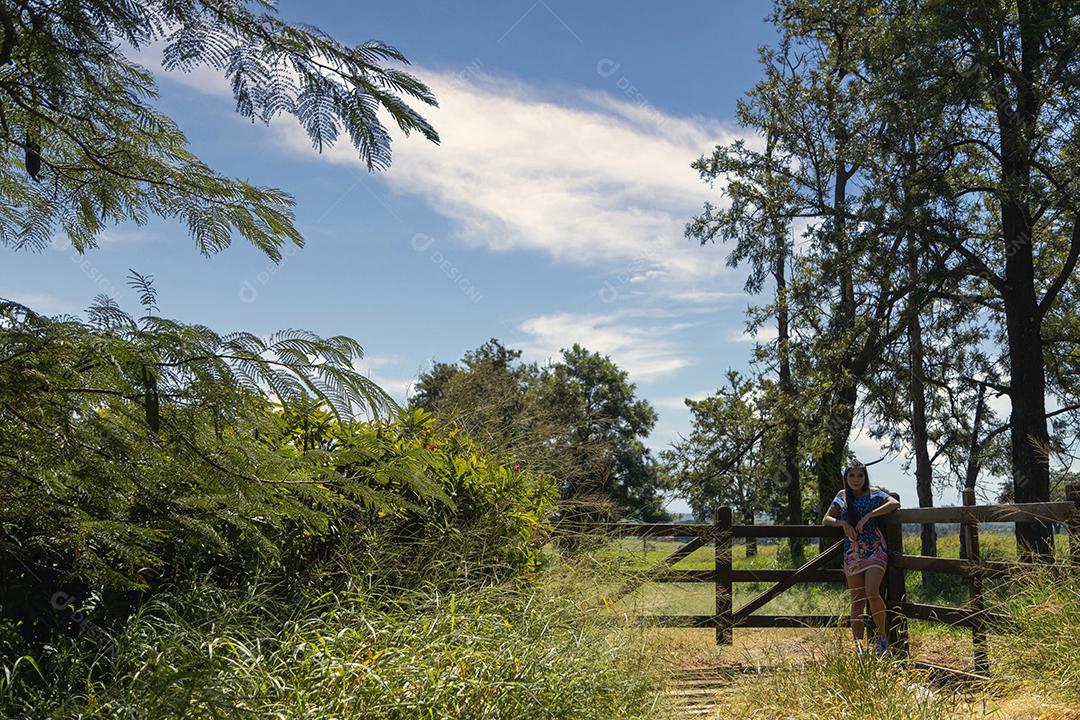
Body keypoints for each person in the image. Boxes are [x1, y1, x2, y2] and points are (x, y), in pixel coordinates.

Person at [822, 461, 900, 654]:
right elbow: (826, 519)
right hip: (853, 552)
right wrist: (843, 524)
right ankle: (859, 646)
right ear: (846, 478)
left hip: (875, 548)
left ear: (865, 477)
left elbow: (894, 503)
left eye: (860, 476)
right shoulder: (842, 496)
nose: (856, 480)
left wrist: (869, 516)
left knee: (872, 592)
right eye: (852, 476)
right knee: (857, 600)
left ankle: (882, 639)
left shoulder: (874, 494)